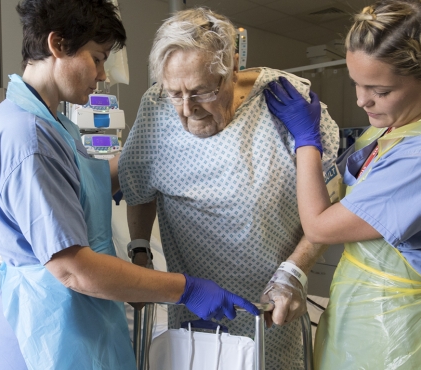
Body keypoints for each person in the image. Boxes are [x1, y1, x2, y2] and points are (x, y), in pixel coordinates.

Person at [0, 1, 258, 369]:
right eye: (97, 58)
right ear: (58, 44)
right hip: (44, 333)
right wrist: (184, 288)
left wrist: (147, 153)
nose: (103, 74)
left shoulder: (53, 121)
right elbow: (73, 268)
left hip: (79, 321)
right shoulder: (29, 138)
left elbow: (77, 194)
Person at [265, 0, 421, 368]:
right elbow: (345, 194)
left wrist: (307, 140)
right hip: (365, 306)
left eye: (379, 91)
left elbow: (319, 224)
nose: (361, 100)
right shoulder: (394, 127)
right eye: (356, 83)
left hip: (403, 330)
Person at [119, 7, 339, 369]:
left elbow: (329, 206)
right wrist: (140, 251)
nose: (187, 110)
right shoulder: (154, 107)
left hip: (273, 311)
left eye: (202, 91)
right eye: (176, 93)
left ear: (233, 67)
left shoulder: (286, 99)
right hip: (193, 311)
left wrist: (294, 274)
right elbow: (139, 187)